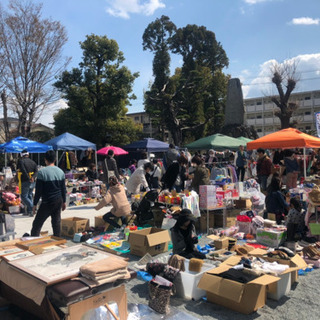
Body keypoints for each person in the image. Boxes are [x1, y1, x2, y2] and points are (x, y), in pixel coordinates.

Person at [31, 150, 66, 237]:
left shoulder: (42, 172)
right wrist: (64, 201)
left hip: (47, 201)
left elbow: (38, 190)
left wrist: (35, 204)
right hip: (58, 200)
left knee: (37, 224)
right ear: (55, 159)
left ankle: (33, 241)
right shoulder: (60, 171)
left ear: (45, 160)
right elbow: (63, 188)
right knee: (56, 222)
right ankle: (58, 240)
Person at [17, 150, 38, 216]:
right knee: (29, 195)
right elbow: (37, 171)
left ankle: (32, 207)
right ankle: (30, 211)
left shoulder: (21, 161)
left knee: (24, 196)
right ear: (28, 155)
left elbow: (23, 170)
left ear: (21, 155)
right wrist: (33, 177)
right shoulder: (33, 162)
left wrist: (29, 178)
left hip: (25, 180)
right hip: (33, 180)